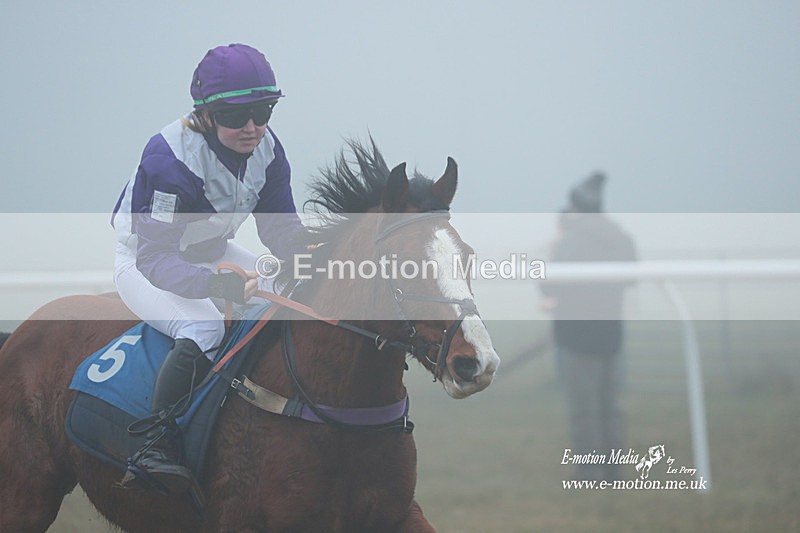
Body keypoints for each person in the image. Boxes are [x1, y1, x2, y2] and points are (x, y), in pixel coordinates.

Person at [111, 43, 307, 493]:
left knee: (292, 286)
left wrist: (317, 256)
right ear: (205, 113)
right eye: (237, 116)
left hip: (212, 248)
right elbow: (156, 258)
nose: (253, 128)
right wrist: (218, 287)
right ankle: (154, 445)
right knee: (204, 327)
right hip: (146, 261)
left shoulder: (269, 150)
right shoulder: (170, 159)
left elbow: (283, 231)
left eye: (263, 111)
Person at [540, 172, 637, 481]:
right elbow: (631, 277)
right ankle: (615, 470)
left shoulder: (569, 241)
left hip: (575, 336)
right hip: (612, 333)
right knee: (611, 407)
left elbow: (549, 286)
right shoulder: (620, 238)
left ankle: (590, 472)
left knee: (583, 410)